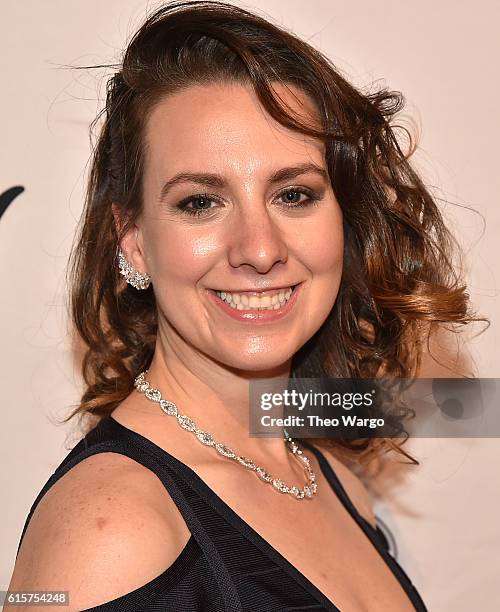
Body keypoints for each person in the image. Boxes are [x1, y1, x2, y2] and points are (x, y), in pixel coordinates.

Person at [6, 1, 477, 610]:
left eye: (294, 193)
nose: (259, 250)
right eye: (201, 202)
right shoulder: (108, 530)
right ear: (134, 240)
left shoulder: (331, 483)